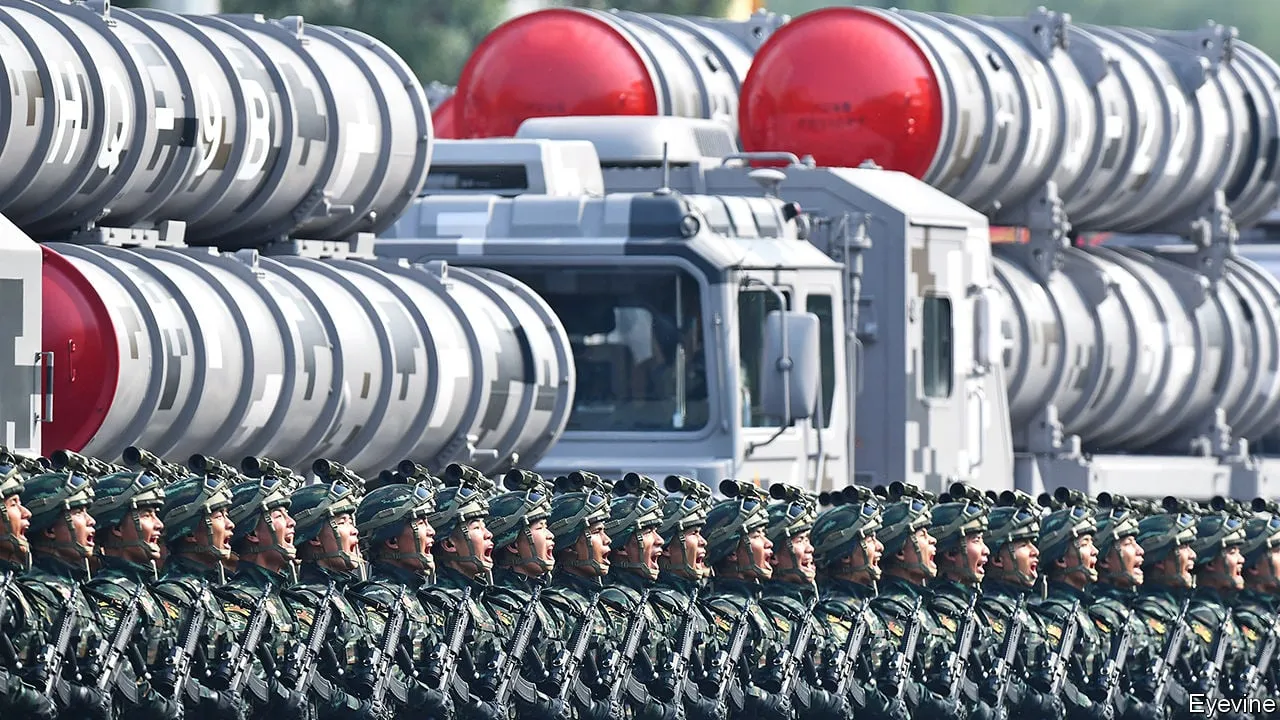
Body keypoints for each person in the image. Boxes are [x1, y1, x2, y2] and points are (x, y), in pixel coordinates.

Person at [84, 469, 184, 720]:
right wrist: (161, 705)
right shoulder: (109, 593)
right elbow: (116, 671)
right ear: (117, 527)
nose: (159, 525)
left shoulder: (141, 590)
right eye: (148, 515)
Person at [349, 480, 454, 718]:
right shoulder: (379, 598)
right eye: (420, 522)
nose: (431, 531)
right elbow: (373, 670)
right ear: (392, 540)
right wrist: (422, 694)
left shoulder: (419, 599)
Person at [152, 473, 245, 719]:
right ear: (191, 533)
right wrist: (211, 698)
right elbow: (160, 678)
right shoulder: (173, 595)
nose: (229, 524)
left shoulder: (208, 592)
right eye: (218, 516)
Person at [284, 480, 380, 718]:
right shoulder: (307, 601)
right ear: (316, 538)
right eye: (343, 522)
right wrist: (353, 706)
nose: (354, 530)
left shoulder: (346, 597)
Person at [810, 488, 906, 720]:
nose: (880, 546)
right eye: (870, 538)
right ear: (845, 556)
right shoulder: (834, 616)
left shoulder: (865, 609)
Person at [698, 480, 789, 719]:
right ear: (731, 552)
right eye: (758, 535)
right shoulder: (722, 611)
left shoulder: (754, 607)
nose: (769, 545)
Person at [758, 484, 848, 719]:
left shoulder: (806, 610)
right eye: (800, 540)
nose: (810, 549)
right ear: (774, 555)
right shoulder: (768, 615)